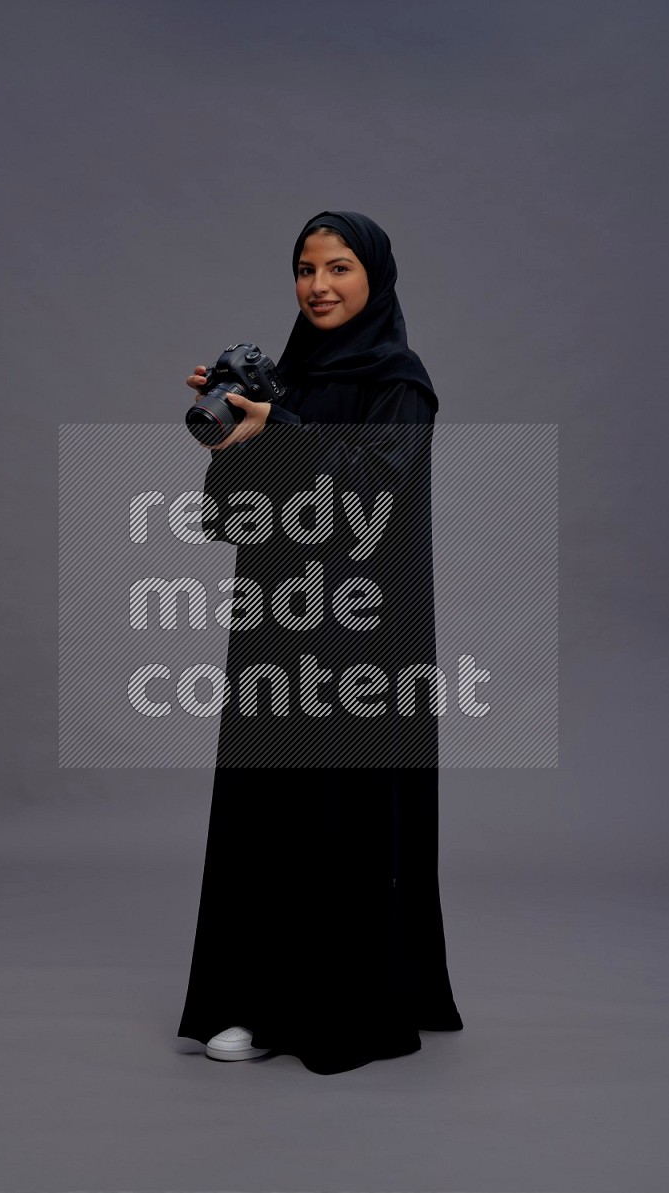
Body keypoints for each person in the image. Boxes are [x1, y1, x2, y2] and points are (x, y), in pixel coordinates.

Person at [177, 210, 463, 1074]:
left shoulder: (401, 385)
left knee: (339, 814)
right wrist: (233, 438)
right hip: (276, 625)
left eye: (339, 267)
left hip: (362, 641)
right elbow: (229, 517)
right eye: (305, 268)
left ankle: (341, 1008)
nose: (319, 285)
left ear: (374, 277)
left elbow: (370, 495)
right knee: (265, 814)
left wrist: (284, 432)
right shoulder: (283, 384)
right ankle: (250, 1004)